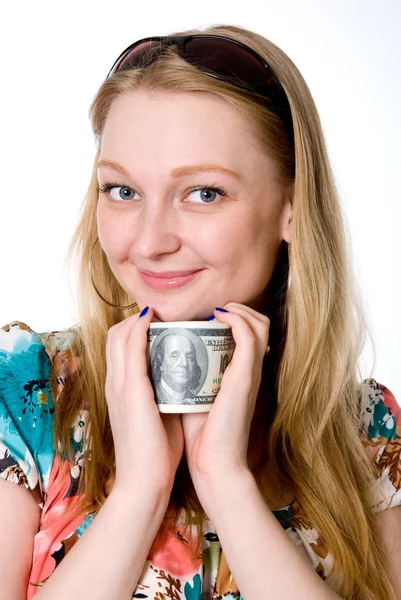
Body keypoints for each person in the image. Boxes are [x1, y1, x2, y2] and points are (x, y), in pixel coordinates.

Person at [0, 23, 400, 600]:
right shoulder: (26, 391)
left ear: (291, 206)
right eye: (123, 190)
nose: (151, 240)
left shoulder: (365, 433)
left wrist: (226, 483)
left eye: (203, 193)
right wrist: (140, 491)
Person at [151, 333, 202, 404]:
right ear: (160, 363)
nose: (184, 363)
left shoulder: (195, 400)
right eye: (175, 356)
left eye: (189, 357)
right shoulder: (150, 395)